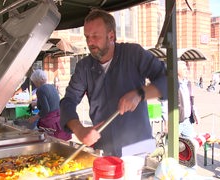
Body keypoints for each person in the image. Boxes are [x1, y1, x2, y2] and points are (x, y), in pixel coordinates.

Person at [60, 9, 167, 156]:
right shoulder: (83, 67)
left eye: (95, 36)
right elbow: (68, 101)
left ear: (111, 36)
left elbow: (168, 81)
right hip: (103, 150)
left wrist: (139, 94)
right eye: (87, 37)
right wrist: (79, 130)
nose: (90, 42)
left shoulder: (133, 53)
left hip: (138, 149)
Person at [28, 69, 72, 141]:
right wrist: (36, 103)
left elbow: (45, 110)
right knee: (60, 143)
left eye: (34, 82)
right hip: (59, 119)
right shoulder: (52, 87)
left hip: (50, 122)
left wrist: (34, 118)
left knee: (49, 141)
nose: (34, 84)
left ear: (37, 81)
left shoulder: (40, 90)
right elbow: (51, 101)